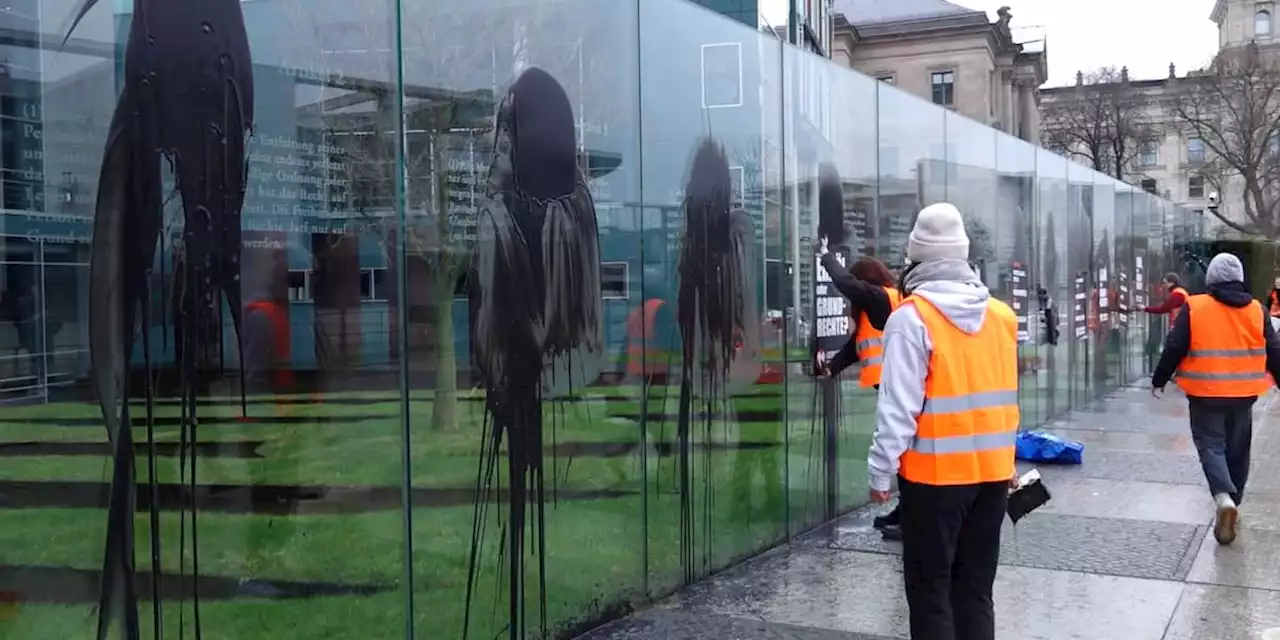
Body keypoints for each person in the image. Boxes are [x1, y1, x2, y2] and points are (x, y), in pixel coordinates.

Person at [868, 202, 1019, 640]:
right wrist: (1007, 461)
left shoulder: (911, 319)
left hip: (933, 481)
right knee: (974, 591)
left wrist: (881, 471)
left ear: (915, 255)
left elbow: (898, 408)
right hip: (991, 476)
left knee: (930, 592)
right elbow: (1006, 398)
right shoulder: (1001, 316)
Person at [1151, 253, 1280, 545]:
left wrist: (1159, 380)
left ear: (1211, 279)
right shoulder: (1257, 310)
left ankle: (1223, 499)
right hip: (1244, 393)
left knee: (1211, 446)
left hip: (1205, 392)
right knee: (1238, 449)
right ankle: (1235, 500)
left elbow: (1175, 345)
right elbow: (1274, 350)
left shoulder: (1195, 306)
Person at [812, 248, 904, 538]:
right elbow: (857, 346)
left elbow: (849, 285)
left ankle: (911, 519)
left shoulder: (882, 298)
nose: (851, 295)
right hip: (895, 386)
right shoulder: (879, 307)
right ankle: (906, 514)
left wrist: (826, 258)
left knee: (906, 452)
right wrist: (832, 368)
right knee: (906, 453)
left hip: (899, 387)